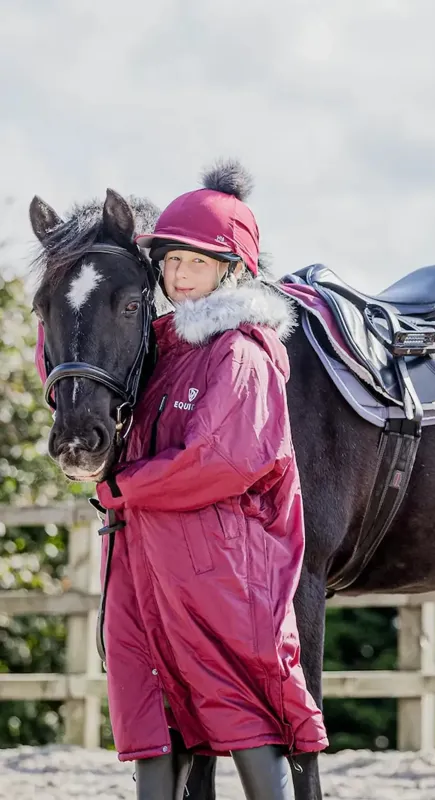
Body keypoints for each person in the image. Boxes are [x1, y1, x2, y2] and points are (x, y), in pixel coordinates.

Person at [94, 160, 327, 800]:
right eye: (170, 261)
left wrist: (124, 490)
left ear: (231, 269)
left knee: (240, 701)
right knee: (153, 708)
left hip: (217, 565)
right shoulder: (161, 349)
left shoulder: (240, 353)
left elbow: (222, 459)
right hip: (145, 559)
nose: (178, 275)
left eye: (196, 262)